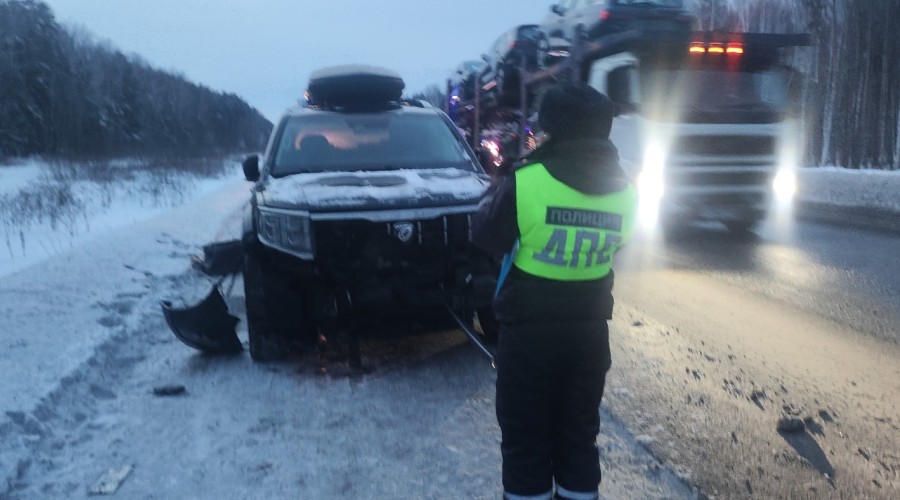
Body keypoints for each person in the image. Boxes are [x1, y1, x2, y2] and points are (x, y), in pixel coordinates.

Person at [472, 83, 637, 500]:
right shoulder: (628, 192)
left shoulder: (526, 181)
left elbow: (485, 234)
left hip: (529, 337)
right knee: (578, 439)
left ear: (552, 129)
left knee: (526, 442)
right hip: (589, 336)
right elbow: (619, 244)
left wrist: (506, 176)